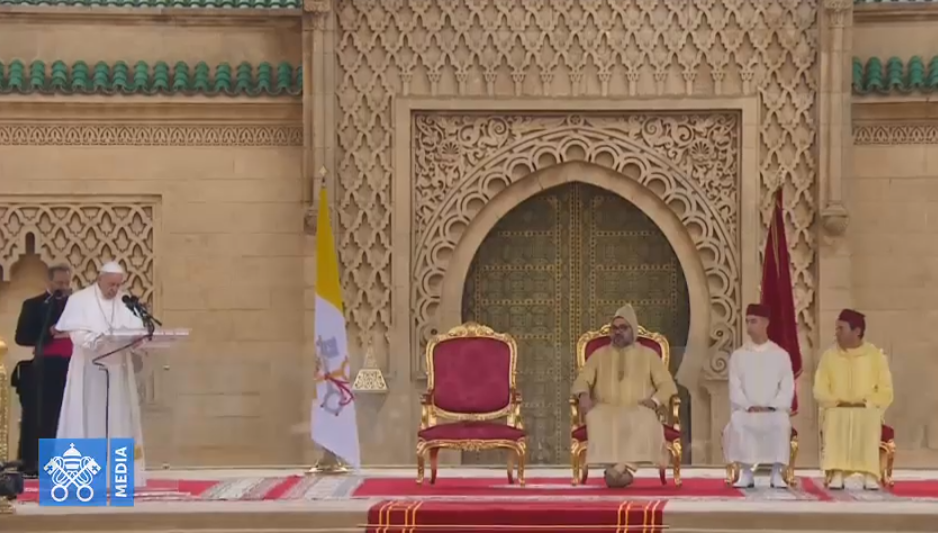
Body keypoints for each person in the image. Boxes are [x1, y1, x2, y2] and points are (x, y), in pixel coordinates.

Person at [55, 261, 148, 486]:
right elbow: (76, 333)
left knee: (118, 420)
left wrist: (138, 340)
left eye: (118, 285)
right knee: (89, 419)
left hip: (117, 373)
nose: (114, 289)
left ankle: (117, 476)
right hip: (89, 372)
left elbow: (137, 330)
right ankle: (85, 476)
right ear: (99, 279)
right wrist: (96, 340)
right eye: (111, 284)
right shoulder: (80, 300)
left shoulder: (123, 302)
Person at [571, 304, 678, 488]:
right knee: (595, 417)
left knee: (645, 418)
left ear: (633, 330)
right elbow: (582, 380)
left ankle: (618, 469)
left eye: (623, 328)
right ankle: (619, 471)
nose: (618, 332)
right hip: (605, 409)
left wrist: (654, 401)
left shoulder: (649, 355)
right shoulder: (598, 355)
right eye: (615, 328)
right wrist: (583, 395)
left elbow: (667, 385)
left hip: (638, 409)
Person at [814, 308, 894, 490]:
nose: (836, 333)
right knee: (834, 418)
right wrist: (835, 401)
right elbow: (820, 388)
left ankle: (870, 474)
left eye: (841, 328)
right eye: (836, 328)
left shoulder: (875, 356)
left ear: (857, 331)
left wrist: (868, 402)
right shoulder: (829, 356)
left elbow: (886, 389)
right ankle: (837, 472)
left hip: (866, 409)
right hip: (837, 408)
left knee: (869, 419)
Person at [722, 303, 794, 489]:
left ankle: (776, 473)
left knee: (782, 422)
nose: (749, 326)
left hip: (772, 412)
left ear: (765, 323)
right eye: (747, 321)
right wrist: (749, 406)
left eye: (753, 321)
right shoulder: (738, 356)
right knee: (738, 421)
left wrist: (771, 406)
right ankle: (746, 473)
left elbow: (787, 388)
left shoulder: (781, 355)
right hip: (747, 411)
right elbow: (734, 388)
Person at [11, 264, 73, 477]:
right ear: (49, 282)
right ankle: (38, 463)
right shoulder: (34, 305)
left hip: (73, 367)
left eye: (67, 283)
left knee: (69, 415)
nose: (64, 287)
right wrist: (49, 332)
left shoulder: (76, 306)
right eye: (59, 283)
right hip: (46, 368)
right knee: (43, 417)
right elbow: (21, 337)